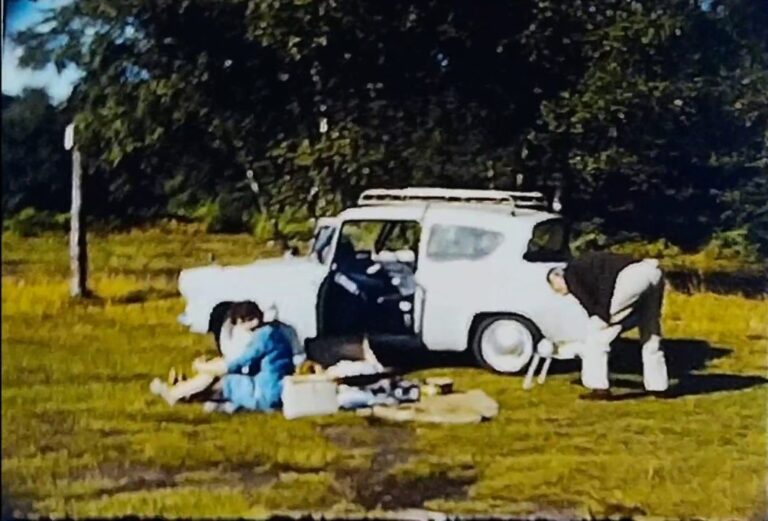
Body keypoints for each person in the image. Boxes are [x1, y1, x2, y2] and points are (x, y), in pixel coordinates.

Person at [546, 251, 668, 400]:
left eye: (555, 287)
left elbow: (592, 301)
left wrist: (603, 316)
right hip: (653, 271)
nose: (559, 292)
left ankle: (598, 387)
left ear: (558, 277)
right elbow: (604, 283)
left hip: (631, 277)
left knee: (596, 332)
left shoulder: (570, 274)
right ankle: (658, 386)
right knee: (650, 329)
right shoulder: (584, 267)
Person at [150, 301, 295, 413]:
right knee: (214, 381)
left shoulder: (264, 337)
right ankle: (181, 391)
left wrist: (203, 366)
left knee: (218, 380)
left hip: (263, 391)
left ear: (248, 321)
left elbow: (238, 363)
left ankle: (178, 392)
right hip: (275, 388)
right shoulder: (274, 332)